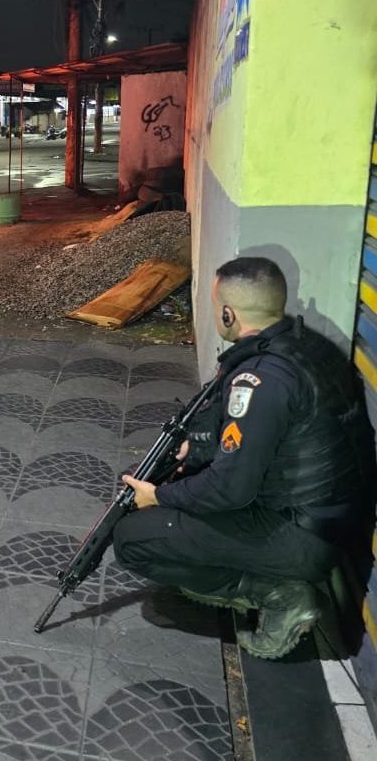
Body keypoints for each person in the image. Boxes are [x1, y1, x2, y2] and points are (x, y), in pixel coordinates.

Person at [113, 256, 373, 659]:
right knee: (171, 486)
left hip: (302, 536)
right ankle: (280, 579)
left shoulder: (262, 378)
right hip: (332, 520)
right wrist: (196, 448)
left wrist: (159, 498)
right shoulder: (304, 346)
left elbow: (229, 490)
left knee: (134, 537)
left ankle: (281, 596)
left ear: (229, 313)